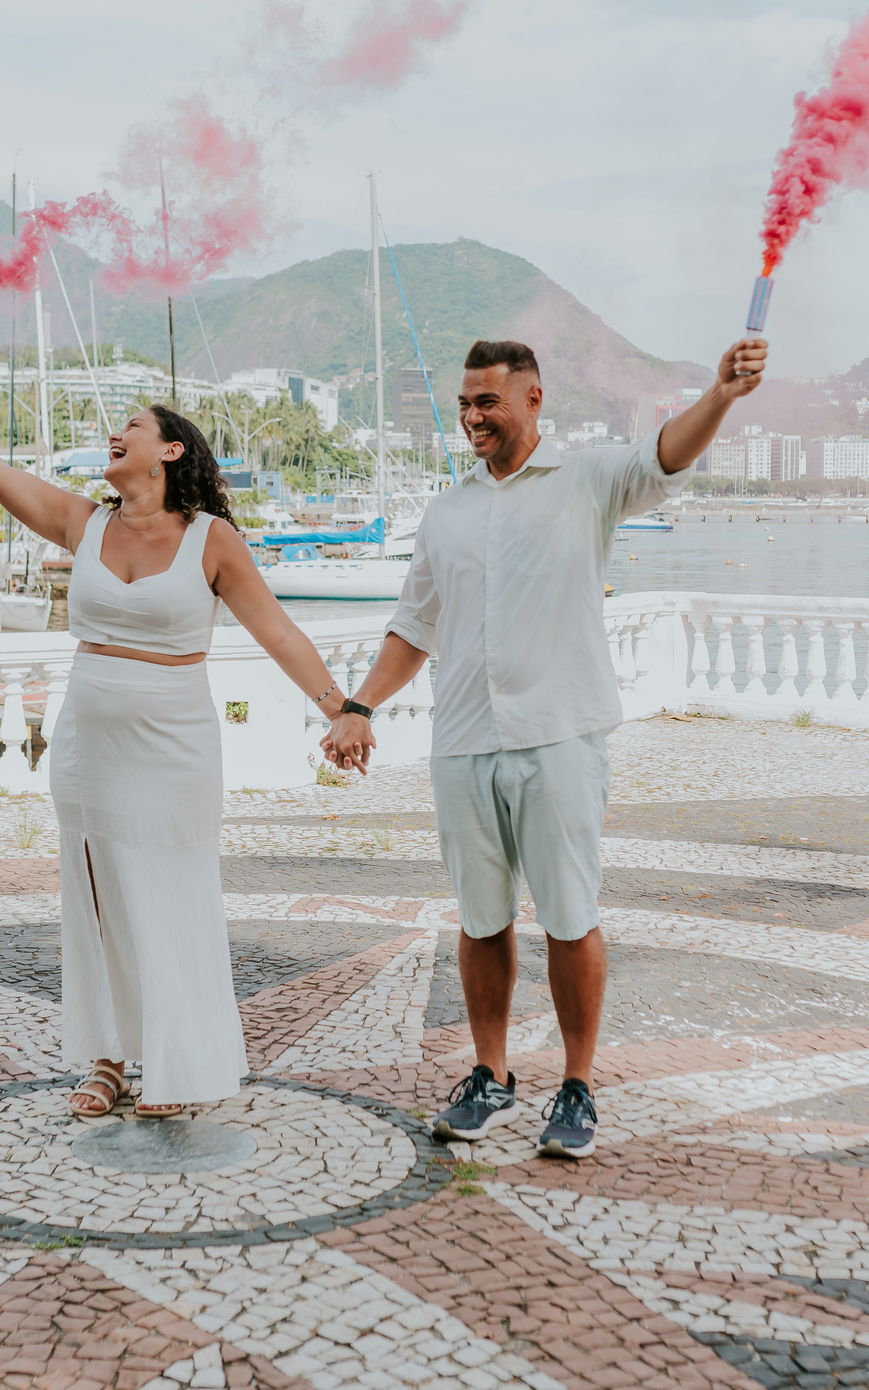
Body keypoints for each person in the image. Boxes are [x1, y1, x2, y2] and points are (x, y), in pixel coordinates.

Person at [322, 333, 767, 1158]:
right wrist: (359, 705)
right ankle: (490, 1075)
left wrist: (721, 394)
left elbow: (668, 451)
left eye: (486, 400)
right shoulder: (448, 510)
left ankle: (577, 1084)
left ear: (532, 399)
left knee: (570, 915)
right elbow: (414, 625)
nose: (471, 416)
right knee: (481, 919)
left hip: (558, 734)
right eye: (463, 402)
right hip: (461, 741)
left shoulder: (588, 479)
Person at [0, 381, 354, 1119]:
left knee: (171, 894)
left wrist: (341, 709)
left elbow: (278, 631)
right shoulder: (83, 522)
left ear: (170, 450)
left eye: (131, 425)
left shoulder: (210, 538)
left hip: (174, 747)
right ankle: (107, 1058)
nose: (114, 434)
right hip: (89, 746)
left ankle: (175, 1059)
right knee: (99, 901)